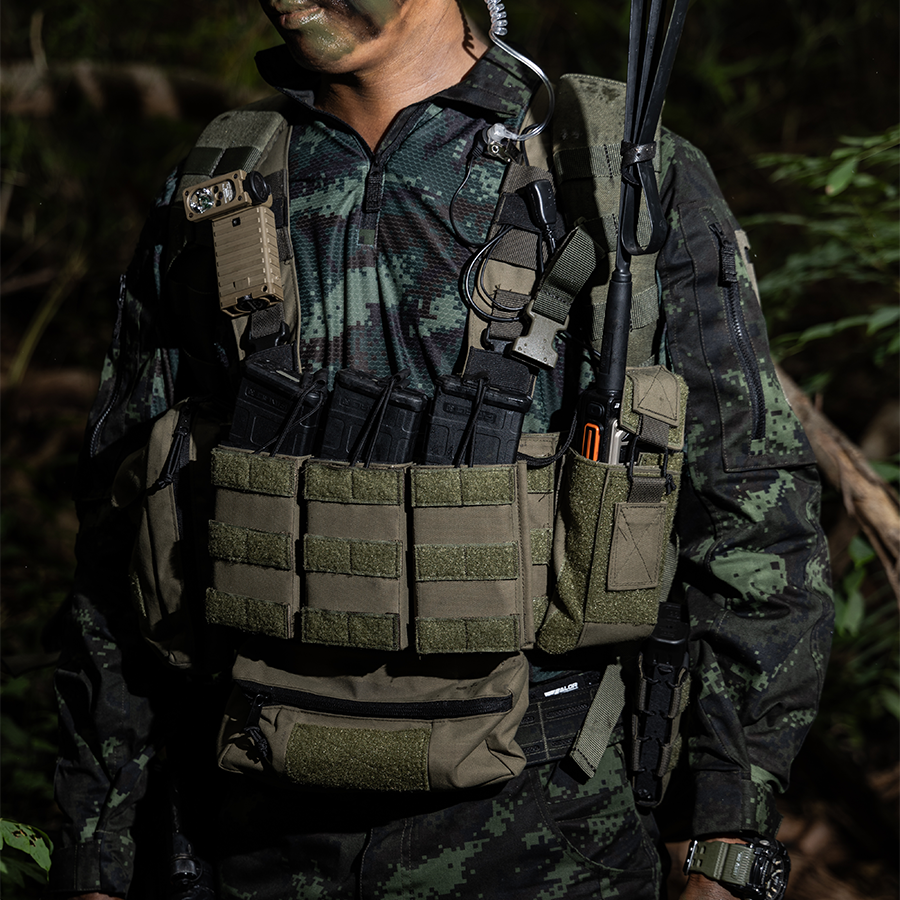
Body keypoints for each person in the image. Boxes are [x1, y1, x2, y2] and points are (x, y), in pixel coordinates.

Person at [50, 1, 833, 898]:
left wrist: (723, 837)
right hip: (249, 829)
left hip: (547, 833)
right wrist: (97, 852)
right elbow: (121, 536)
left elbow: (754, 514)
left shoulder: (610, 176)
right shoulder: (219, 187)